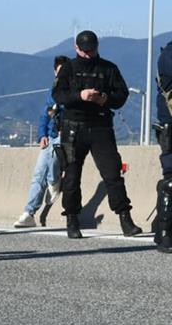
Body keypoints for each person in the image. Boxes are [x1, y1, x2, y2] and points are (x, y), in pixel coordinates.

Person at [52, 30, 142, 239]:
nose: (88, 55)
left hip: (101, 127)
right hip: (74, 127)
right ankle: (72, 219)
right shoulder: (68, 68)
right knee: (72, 176)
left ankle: (125, 218)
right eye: (84, 51)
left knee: (113, 174)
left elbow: (122, 95)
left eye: (92, 50)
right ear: (76, 49)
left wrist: (104, 99)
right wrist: (80, 95)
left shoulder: (108, 69)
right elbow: (58, 95)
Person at [14, 56, 67, 227]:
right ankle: (29, 213)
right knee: (38, 174)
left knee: (53, 153)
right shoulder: (52, 91)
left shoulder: (72, 89)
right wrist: (41, 134)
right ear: (54, 72)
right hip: (51, 135)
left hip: (64, 135)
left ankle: (54, 181)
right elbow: (45, 114)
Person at [153, 42, 172, 252]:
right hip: (170, 125)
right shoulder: (169, 54)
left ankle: (160, 230)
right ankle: (165, 234)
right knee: (171, 180)